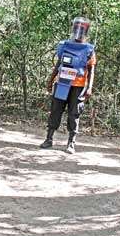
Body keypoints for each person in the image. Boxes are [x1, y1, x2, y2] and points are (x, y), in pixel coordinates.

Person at [40, 17, 96, 154]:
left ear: (86, 31)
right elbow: (59, 64)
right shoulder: (65, 45)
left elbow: (91, 69)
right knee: (55, 110)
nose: (79, 31)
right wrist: (51, 80)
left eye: (82, 29)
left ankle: (71, 143)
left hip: (78, 85)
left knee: (74, 113)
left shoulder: (89, 49)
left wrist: (89, 87)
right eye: (77, 28)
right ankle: (49, 138)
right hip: (62, 83)